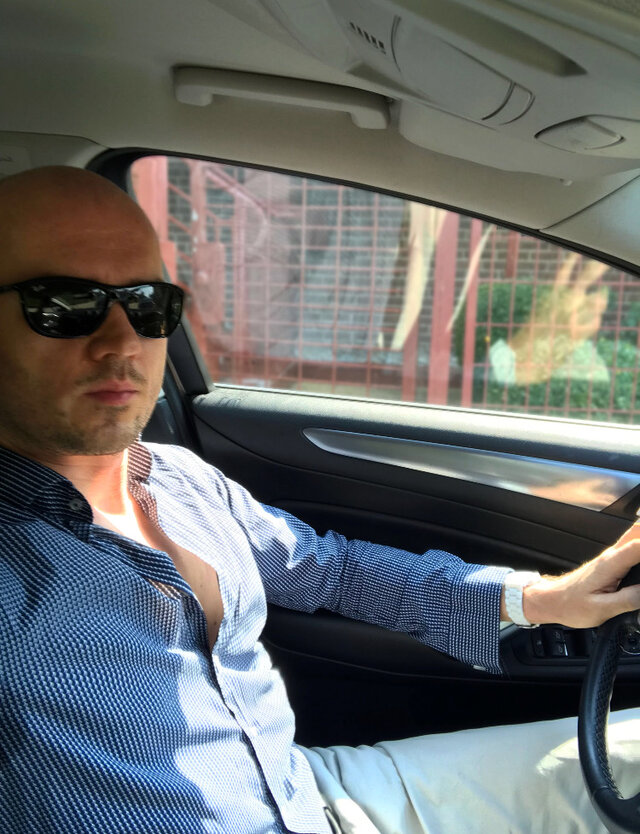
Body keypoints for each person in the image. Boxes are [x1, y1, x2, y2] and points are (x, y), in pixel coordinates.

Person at [1, 166, 639, 834]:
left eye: (146, 304)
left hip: (313, 794)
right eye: (64, 305)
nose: (123, 342)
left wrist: (543, 599)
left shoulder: (181, 478)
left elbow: (329, 569)